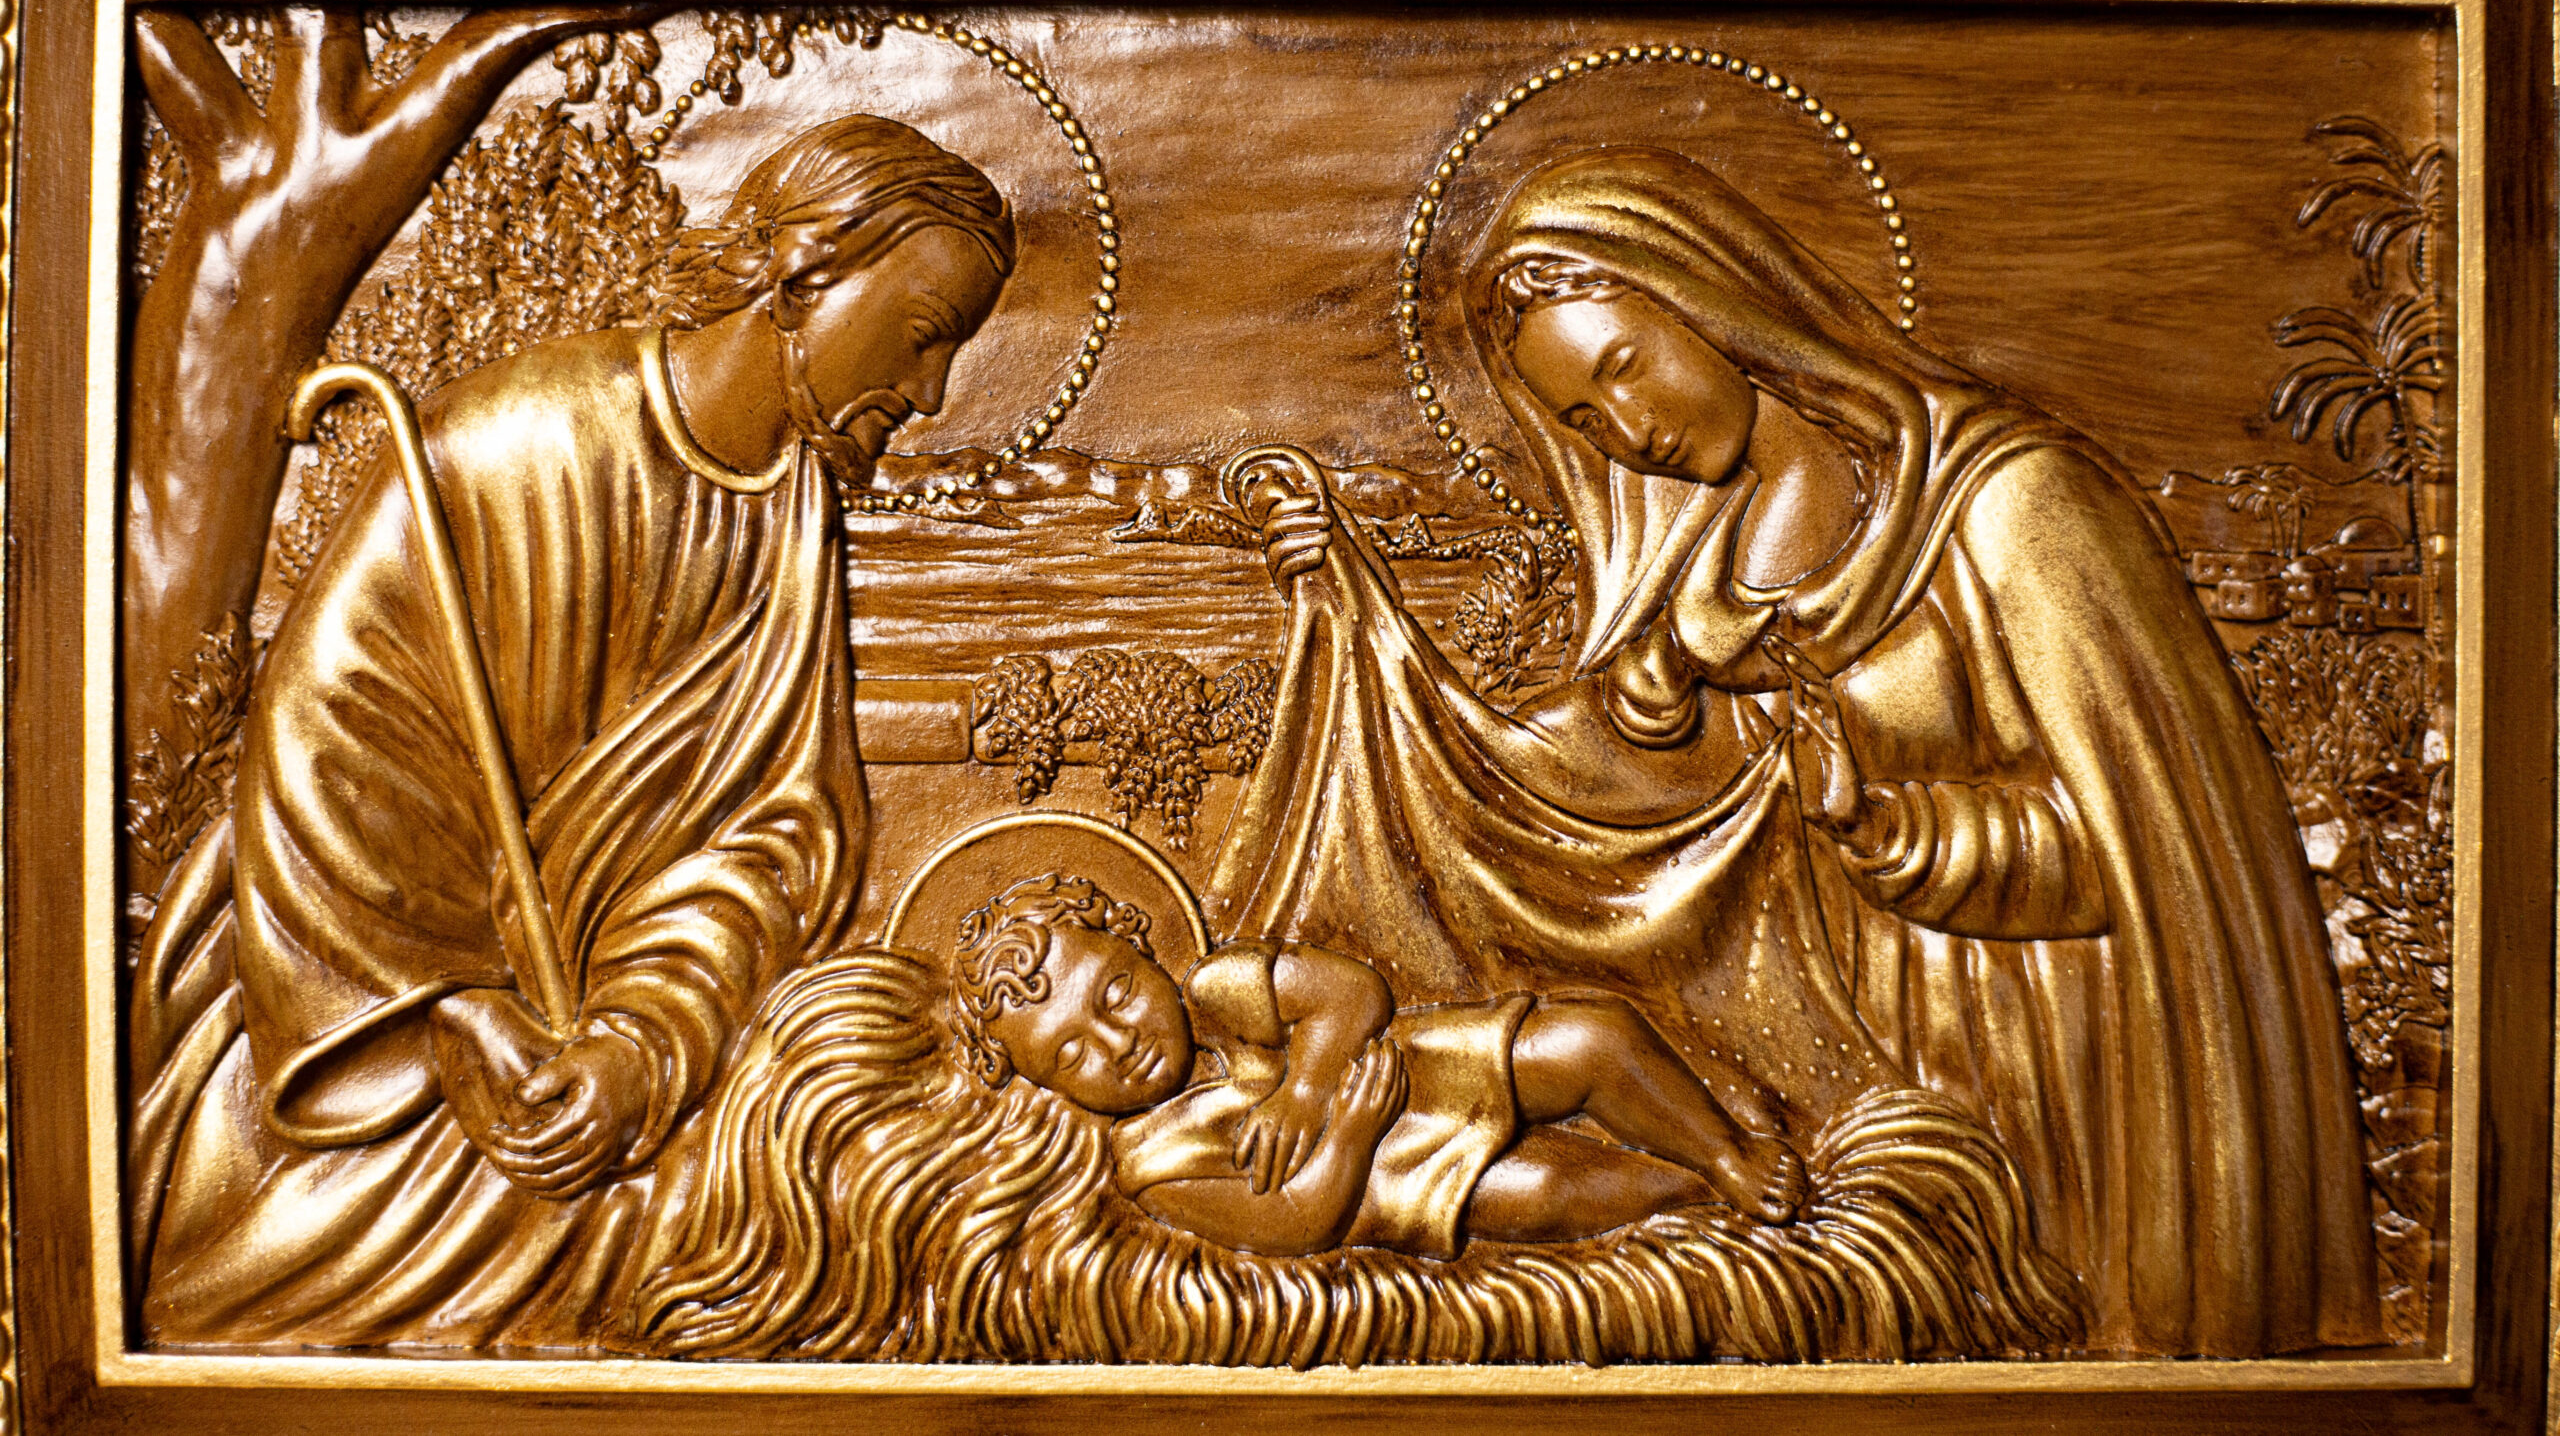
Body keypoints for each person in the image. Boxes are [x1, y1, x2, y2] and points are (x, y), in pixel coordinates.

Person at [1217, 144, 2377, 1356]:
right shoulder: (1693, 597)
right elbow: (1562, 795)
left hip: (2060, 1057)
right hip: (1873, 1078)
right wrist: (1356, 611)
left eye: (1624, 366)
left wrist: (1888, 826)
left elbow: (2144, 859)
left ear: (1716, 303)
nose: (1629, 432)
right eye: (1582, 419)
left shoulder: (2012, 509)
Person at [130, 114, 1016, 1348]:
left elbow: (775, 837)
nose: (929, 397)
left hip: (613, 1056)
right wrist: (452, 1009)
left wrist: (642, 1043)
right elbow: (328, 756)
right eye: (924, 336)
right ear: (801, 275)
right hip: (375, 1028)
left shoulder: (791, 514)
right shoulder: (515, 444)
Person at [950, 872, 1806, 1259]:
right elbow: (1293, 1221)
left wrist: (1306, 1088)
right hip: (1395, 1178)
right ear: (1047, 1085)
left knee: (1594, 1036)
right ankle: (1693, 1188)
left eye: (1116, 994)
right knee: (1551, 1188)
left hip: (1434, 1068)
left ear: (1139, 945)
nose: (1118, 1043)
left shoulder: (1217, 988)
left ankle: (1726, 1149)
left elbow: (1352, 992)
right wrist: (1350, 1131)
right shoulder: (1152, 1162)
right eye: (1071, 1053)